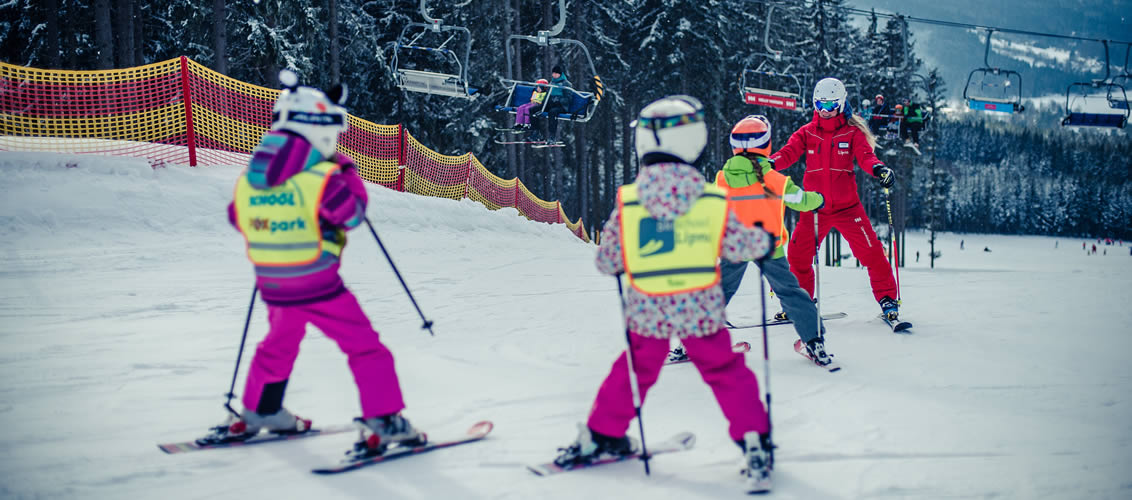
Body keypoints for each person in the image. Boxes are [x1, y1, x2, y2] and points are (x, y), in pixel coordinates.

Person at [554, 95, 776, 493]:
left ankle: (600, 434)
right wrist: (762, 239)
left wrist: (623, 261)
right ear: (695, 141)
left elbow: (607, 261)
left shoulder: (629, 201)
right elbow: (741, 246)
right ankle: (754, 440)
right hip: (700, 309)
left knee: (634, 372)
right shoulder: (711, 199)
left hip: (647, 311)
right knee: (724, 371)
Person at [216, 70, 422, 453]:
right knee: (365, 347)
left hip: (273, 284)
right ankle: (384, 418)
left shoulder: (251, 177)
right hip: (317, 283)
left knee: (278, 343)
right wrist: (345, 172)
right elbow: (352, 214)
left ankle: (261, 409)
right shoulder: (322, 178)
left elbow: (236, 216)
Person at [769, 77, 902, 321]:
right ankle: (800, 303)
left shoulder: (852, 133)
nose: (825, 111)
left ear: (841, 105)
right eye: (820, 106)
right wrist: (770, 164)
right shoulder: (807, 133)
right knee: (798, 256)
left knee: (872, 254)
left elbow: (866, 157)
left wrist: (880, 170)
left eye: (831, 106)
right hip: (814, 207)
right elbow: (788, 153)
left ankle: (888, 300)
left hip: (847, 209)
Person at [711, 114, 834, 367]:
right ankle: (814, 342)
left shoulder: (722, 178)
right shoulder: (775, 180)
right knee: (790, 292)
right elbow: (801, 200)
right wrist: (818, 199)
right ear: (766, 144)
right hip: (769, 248)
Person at [540, 65, 574, 142]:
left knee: (552, 112)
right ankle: (535, 132)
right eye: (553, 73)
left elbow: (569, 98)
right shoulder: (552, 82)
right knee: (536, 109)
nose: (554, 75)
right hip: (552, 104)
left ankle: (552, 136)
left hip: (562, 106)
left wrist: (559, 99)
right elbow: (548, 94)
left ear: (559, 74)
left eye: (555, 73)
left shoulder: (566, 84)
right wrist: (544, 102)